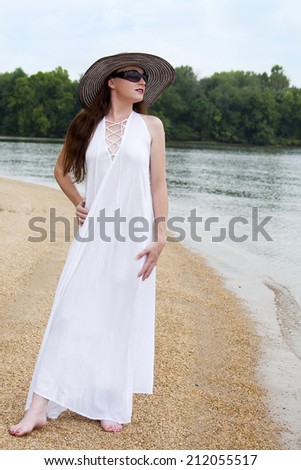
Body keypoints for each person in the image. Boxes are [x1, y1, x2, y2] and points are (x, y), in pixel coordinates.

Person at [9, 52, 175, 435]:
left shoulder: (151, 125)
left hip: (133, 235)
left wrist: (160, 236)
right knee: (69, 311)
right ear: (110, 82)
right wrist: (79, 204)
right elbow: (61, 170)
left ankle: (108, 400)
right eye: (132, 74)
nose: (141, 80)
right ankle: (39, 405)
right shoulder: (88, 124)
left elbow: (157, 184)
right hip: (94, 235)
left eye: (144, 76)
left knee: (118, 316)